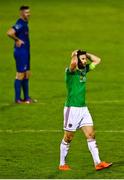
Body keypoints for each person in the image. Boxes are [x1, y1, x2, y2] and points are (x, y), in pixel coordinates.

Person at [59, 50, 112, 171]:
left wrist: (86, 54)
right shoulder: (70, 72)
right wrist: (74, 54)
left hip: (83, 109)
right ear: (76, 60)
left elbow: (97, 60)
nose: (85, 61)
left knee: (91, 134)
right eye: (82, 59)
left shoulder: (84, 70)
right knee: (68, 137)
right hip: (72, 109)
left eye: (85, 59)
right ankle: (62, 164)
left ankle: (98, 163)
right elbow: (72, 64)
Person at [7, 5, 32, 104]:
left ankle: (26, 98)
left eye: (29, 12)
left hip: (25, 51)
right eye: (26, 12)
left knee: (27, 74)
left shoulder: (25, 22)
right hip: (21, 52)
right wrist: (17, 40)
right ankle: (17, 99)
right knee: (20, 75)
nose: (28, 14)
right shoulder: (20, 23)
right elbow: (9, 32)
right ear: (21, 13)